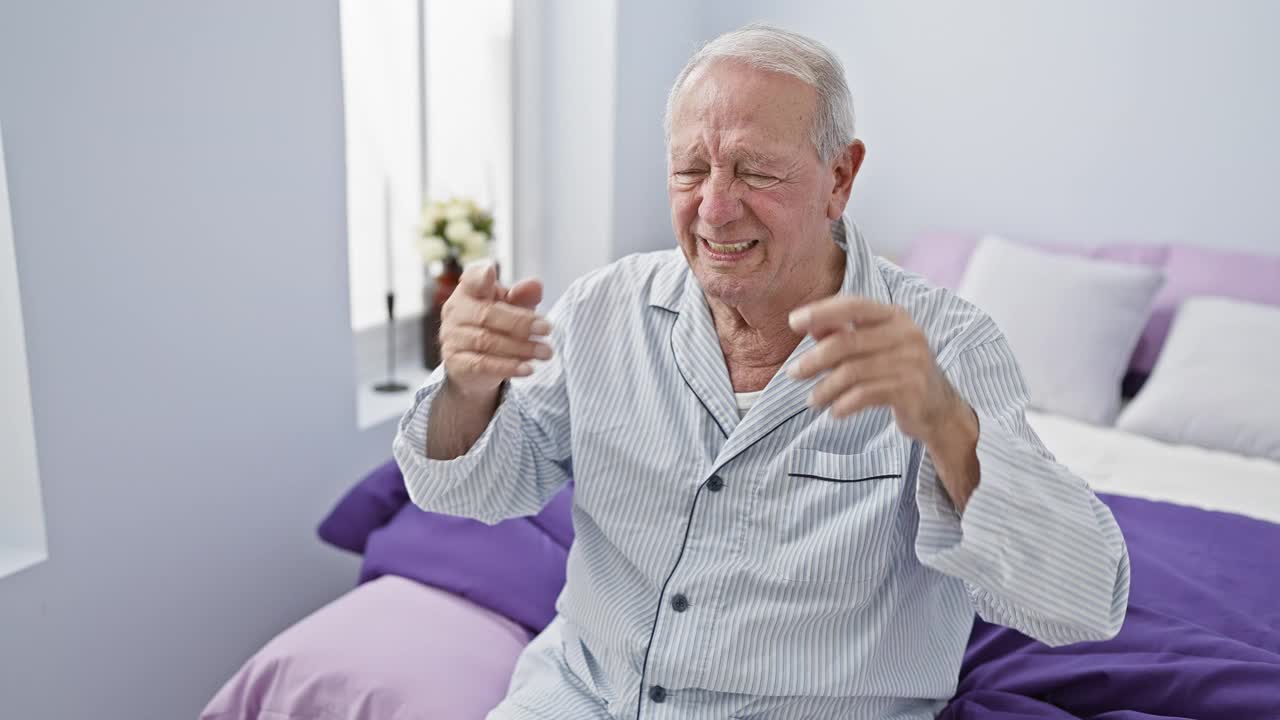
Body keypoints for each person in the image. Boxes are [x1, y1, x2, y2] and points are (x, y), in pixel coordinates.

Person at [394, 23, 1128, 720]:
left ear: (839, 177)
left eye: (755, 170)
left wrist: (945, 423)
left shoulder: (949, 344)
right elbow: (471, 490)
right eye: (690, 169)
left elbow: (1084, 597)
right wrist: (469, 385)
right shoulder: (604, 308)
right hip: (582, 697)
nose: (714, 208)